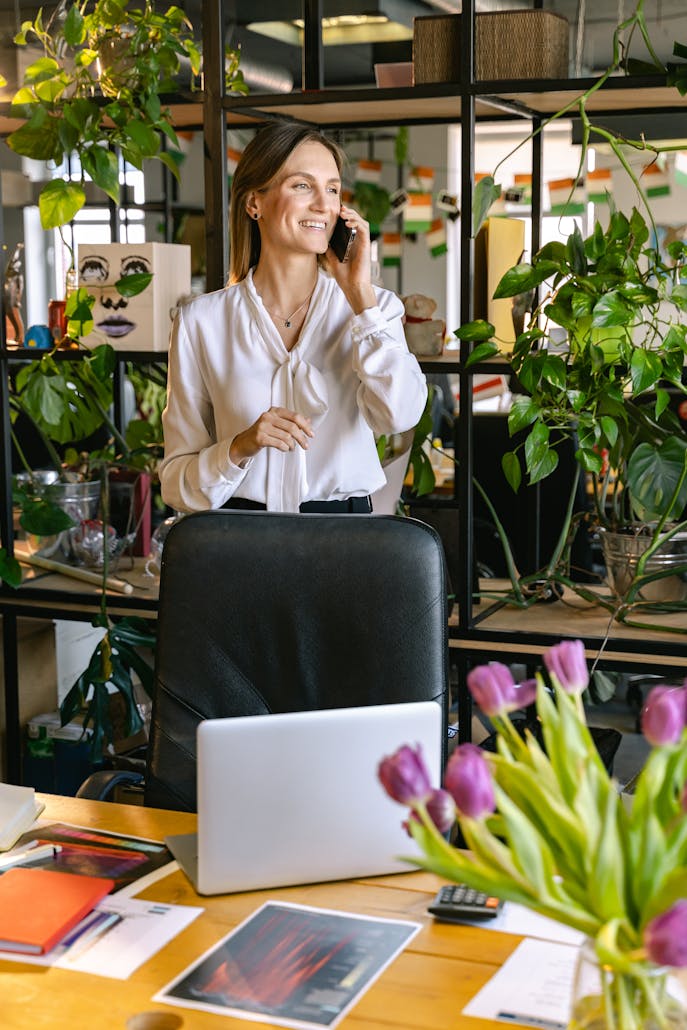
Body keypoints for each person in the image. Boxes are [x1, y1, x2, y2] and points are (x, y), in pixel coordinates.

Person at [159, 122, 427, 514]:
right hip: (239, 538)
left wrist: (360, 299)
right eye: (303, 186)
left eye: (333, 189)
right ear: (255, 203)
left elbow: (399, 417)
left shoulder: (375, 310)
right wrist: (238, 447)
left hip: (346, 539)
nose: (323, 204)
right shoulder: (200, 322)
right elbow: (175, 484)